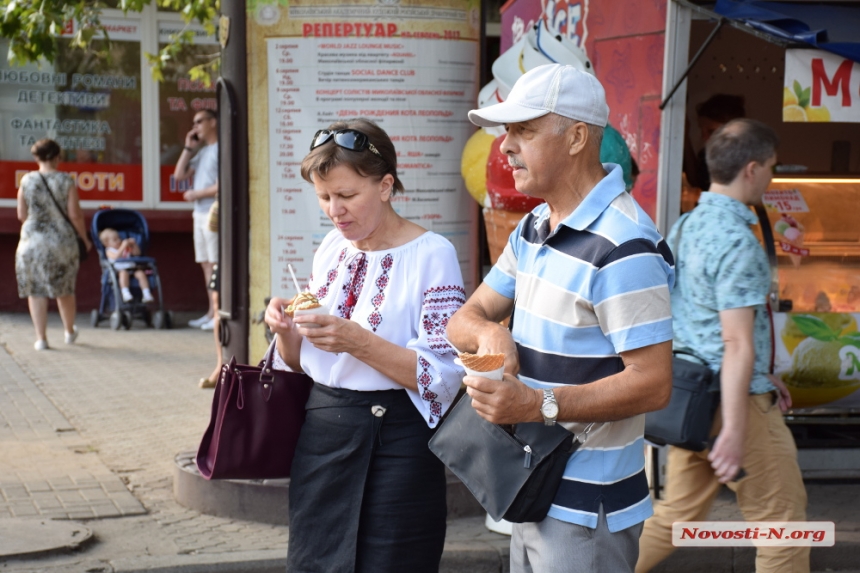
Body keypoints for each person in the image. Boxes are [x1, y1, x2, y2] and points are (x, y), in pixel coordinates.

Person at [446, 64, 675, 573]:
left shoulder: (625, 245)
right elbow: (468, 315)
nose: (505, 146)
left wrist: (535, 403)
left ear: (575, 137)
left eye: (523, 130)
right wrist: (492, 336)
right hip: (530, 486)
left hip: (586, 506)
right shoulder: (534, 225)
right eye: (507, 131)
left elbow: (654, 384)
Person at [264, 118, 465, 572]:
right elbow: (300, 364)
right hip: (323, 432)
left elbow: (445, 377)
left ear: (386, 185)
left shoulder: (433, 255)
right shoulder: (332, 249)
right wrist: (284, 329)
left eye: (347, 195)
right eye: (324, 197)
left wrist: (358, 342)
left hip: (401, 440)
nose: (335, 210)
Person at [637, 119, 809, 573]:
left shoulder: (686, 226)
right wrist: (733, 430)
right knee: (784, 530)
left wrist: (760, 373)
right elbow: (734, 343)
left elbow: (692, 317)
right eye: (771, 168)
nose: (772, 178)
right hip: (738, 407)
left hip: (690, 399)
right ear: (751, 169)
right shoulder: (738, 241)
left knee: (674, 518)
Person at [15, 138, 93, 350]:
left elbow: (21, 214)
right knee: (64, 288)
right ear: (58, 157)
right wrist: (84, 239)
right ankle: (69, 332)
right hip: (61, 242)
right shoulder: (65, 181)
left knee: (36, 290)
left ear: (35, 157)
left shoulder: (26, 181)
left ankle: (41, 339)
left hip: (31, 242)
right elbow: (75, 214)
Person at [173, 108, 219, 330]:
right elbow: (179, 175)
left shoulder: (221, 149)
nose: (195, 127)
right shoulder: (202, 152)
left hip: (212, 212)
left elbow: (222, 185)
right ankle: (211, 312)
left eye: (199, 121)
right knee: (205, 264)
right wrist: (188, 147)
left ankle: (218, 313)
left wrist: (196, 194)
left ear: (213, 122)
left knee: (215, 263)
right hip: (198, 213)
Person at [98, 228, 154, 303]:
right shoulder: (109, 251)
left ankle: (146, 293)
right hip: (119, 270)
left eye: (119, 238)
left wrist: (134, 245)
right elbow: (116, 257)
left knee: (141, 274)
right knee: (123, 273)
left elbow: (137, 254)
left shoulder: (125, 248)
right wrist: (123, 246)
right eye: (115, 240)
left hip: (132, 268)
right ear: (106, 243)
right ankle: (125, 293)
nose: (118, 240)